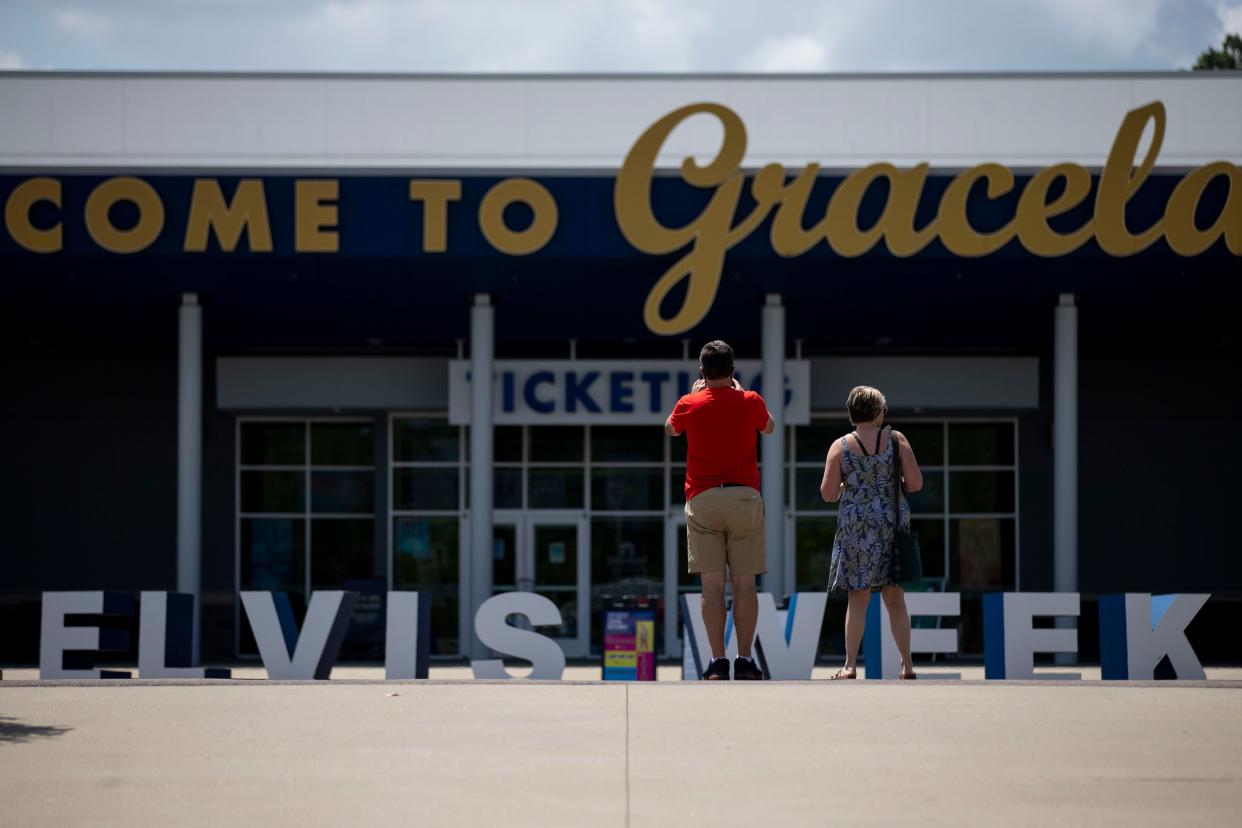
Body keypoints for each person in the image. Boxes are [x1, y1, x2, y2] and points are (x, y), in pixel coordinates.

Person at [665, 340, 776, 680]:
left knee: (711, 586)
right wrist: (738, 391)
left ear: (702, 372)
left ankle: (717, 662)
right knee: (745, 585)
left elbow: (670, 428)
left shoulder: (690, 403)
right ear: (732, 370)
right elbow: (769, 426)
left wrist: (695, 394)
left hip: (703, 499)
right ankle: (744, 659)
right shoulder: (750, 400)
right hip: (744, 498)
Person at [819, 385, 924, 680]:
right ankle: (907, 664)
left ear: (853, 414)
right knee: (895, 597)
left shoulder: (840, 446)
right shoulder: (896, 440)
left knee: (858, 597)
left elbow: (827, 493)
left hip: (856, 525)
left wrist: (846, 487)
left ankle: (850, 665)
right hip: (891, 521)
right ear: (879, 412)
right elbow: (915, 484)